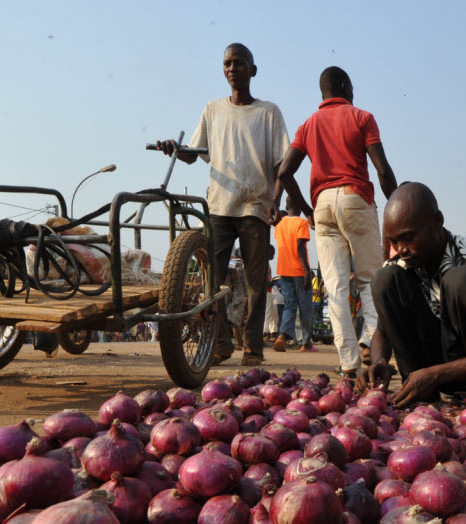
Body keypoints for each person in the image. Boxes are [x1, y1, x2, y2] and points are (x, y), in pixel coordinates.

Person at [155, 43, 289, 367]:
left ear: (252, 70)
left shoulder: (268, 112)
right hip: (219, 207)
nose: (232, 68)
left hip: (255, 208)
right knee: (210, 281)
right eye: (227, 63)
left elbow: (283, 163)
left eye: (239, 63)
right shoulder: (213, 109)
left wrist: (276, 199)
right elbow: (193, 153)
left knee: (257, 285)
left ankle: (253, 349)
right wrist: (175, 147)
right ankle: (221, 341)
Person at [357, 183, 466, 407]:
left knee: (460, 279)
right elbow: (382, 331)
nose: (401, 249)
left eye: (408, 237)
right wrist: (379, 361)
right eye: (394, 241)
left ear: (437, 222)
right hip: (427, 378)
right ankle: (418, 394)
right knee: (384, 278)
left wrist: (438, 374)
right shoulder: (401, 267)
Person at [274, 66, 397, 377]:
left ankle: (348, 364)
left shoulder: (308, 125)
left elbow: (284, 172)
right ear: (344, 85)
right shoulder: (361, 117)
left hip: (323, 205)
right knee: (370, 279)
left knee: (336, 288)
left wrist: (307, 210)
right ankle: (371, 340)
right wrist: (397, 205)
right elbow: (382, 170)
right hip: (356, 198)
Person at [273, 208, 316, 352]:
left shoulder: (279, 224)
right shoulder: (301, 223)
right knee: (306, 308)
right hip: (298, 270)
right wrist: (307, 271)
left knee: (289, 305)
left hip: (283, 270)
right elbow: (300, 247)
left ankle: (282, 336)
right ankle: (307, 343)